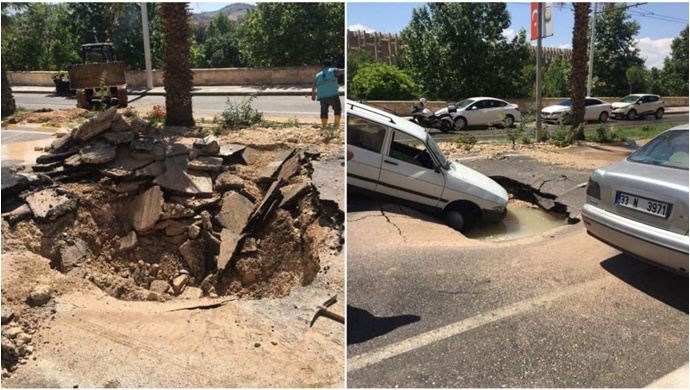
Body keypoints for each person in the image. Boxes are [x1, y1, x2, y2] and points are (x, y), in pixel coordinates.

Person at [312, 59, 344, 129]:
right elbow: (343, 71)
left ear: (323, 65)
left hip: (322, 97)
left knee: (324, 111)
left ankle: (324, 126)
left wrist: (313, 95)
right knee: (337, 109)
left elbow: (314, 86)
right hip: (333, 95)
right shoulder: (333, 70)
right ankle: (336, 125)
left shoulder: (318, 75)